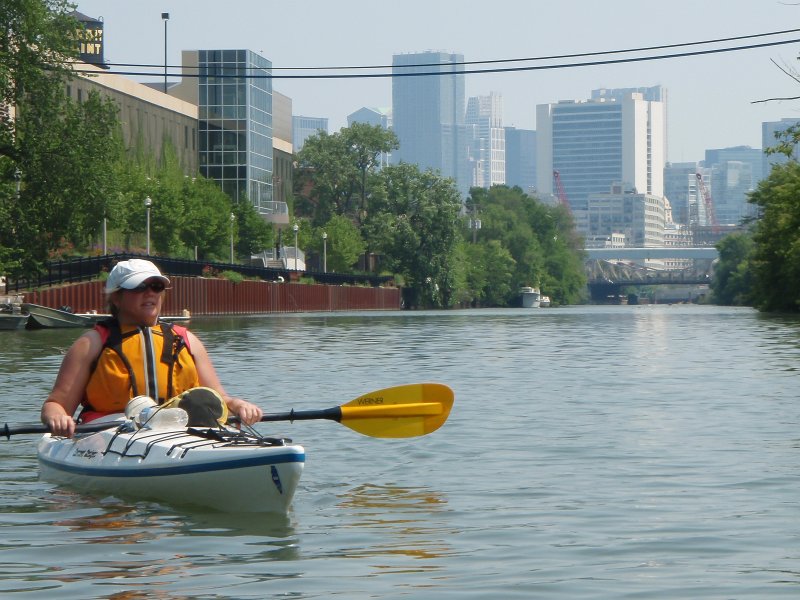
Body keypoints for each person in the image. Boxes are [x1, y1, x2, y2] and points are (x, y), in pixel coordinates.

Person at [41, 258, 263, 437]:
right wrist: (57, 417)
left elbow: (220, 399)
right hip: (108, 434)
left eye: (156, 287)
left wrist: (238, 405)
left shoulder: (186, 340)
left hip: (179, 431)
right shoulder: (91, 344)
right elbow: (55, 405)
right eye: (139, 287)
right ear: (116, 297)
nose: (150, 293)